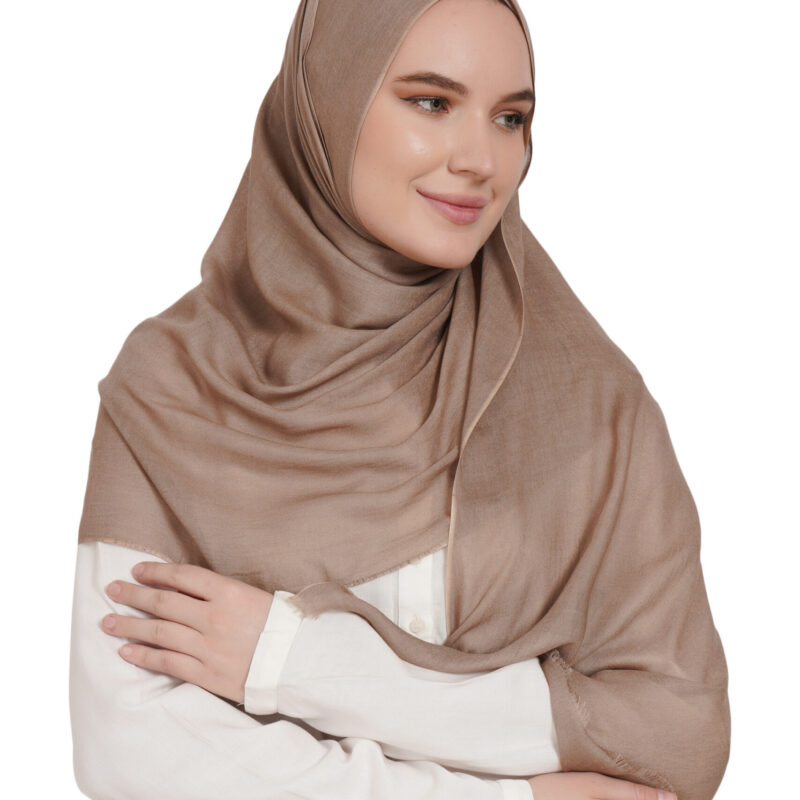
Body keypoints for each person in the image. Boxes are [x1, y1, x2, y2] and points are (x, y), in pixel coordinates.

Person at [69, 1, 730, 799]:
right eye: (431, 102)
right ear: (329, 101)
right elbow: (133, 755)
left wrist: (294, 663)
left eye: (511, 118)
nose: (481, 159)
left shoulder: (593, 405)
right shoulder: (174, 387)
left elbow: (680, 734)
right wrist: (519, 795)